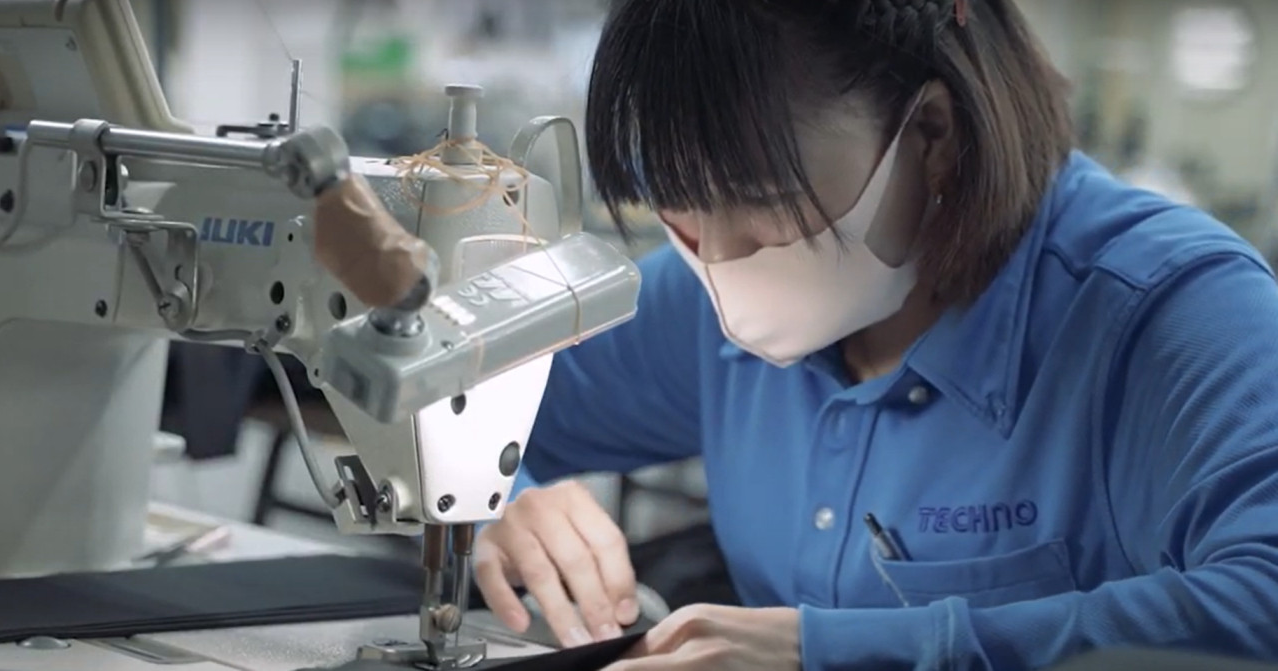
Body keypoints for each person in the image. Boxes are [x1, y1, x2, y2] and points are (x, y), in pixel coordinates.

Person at [468, 0, 1278, 669]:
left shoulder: (1169, 310)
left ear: (932, 133)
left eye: (761, 199)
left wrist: (828, 651)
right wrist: (500, 495)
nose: (714, 256)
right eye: (674, 202)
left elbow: (1261, 600)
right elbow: (460, 399)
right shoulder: (697, 300)